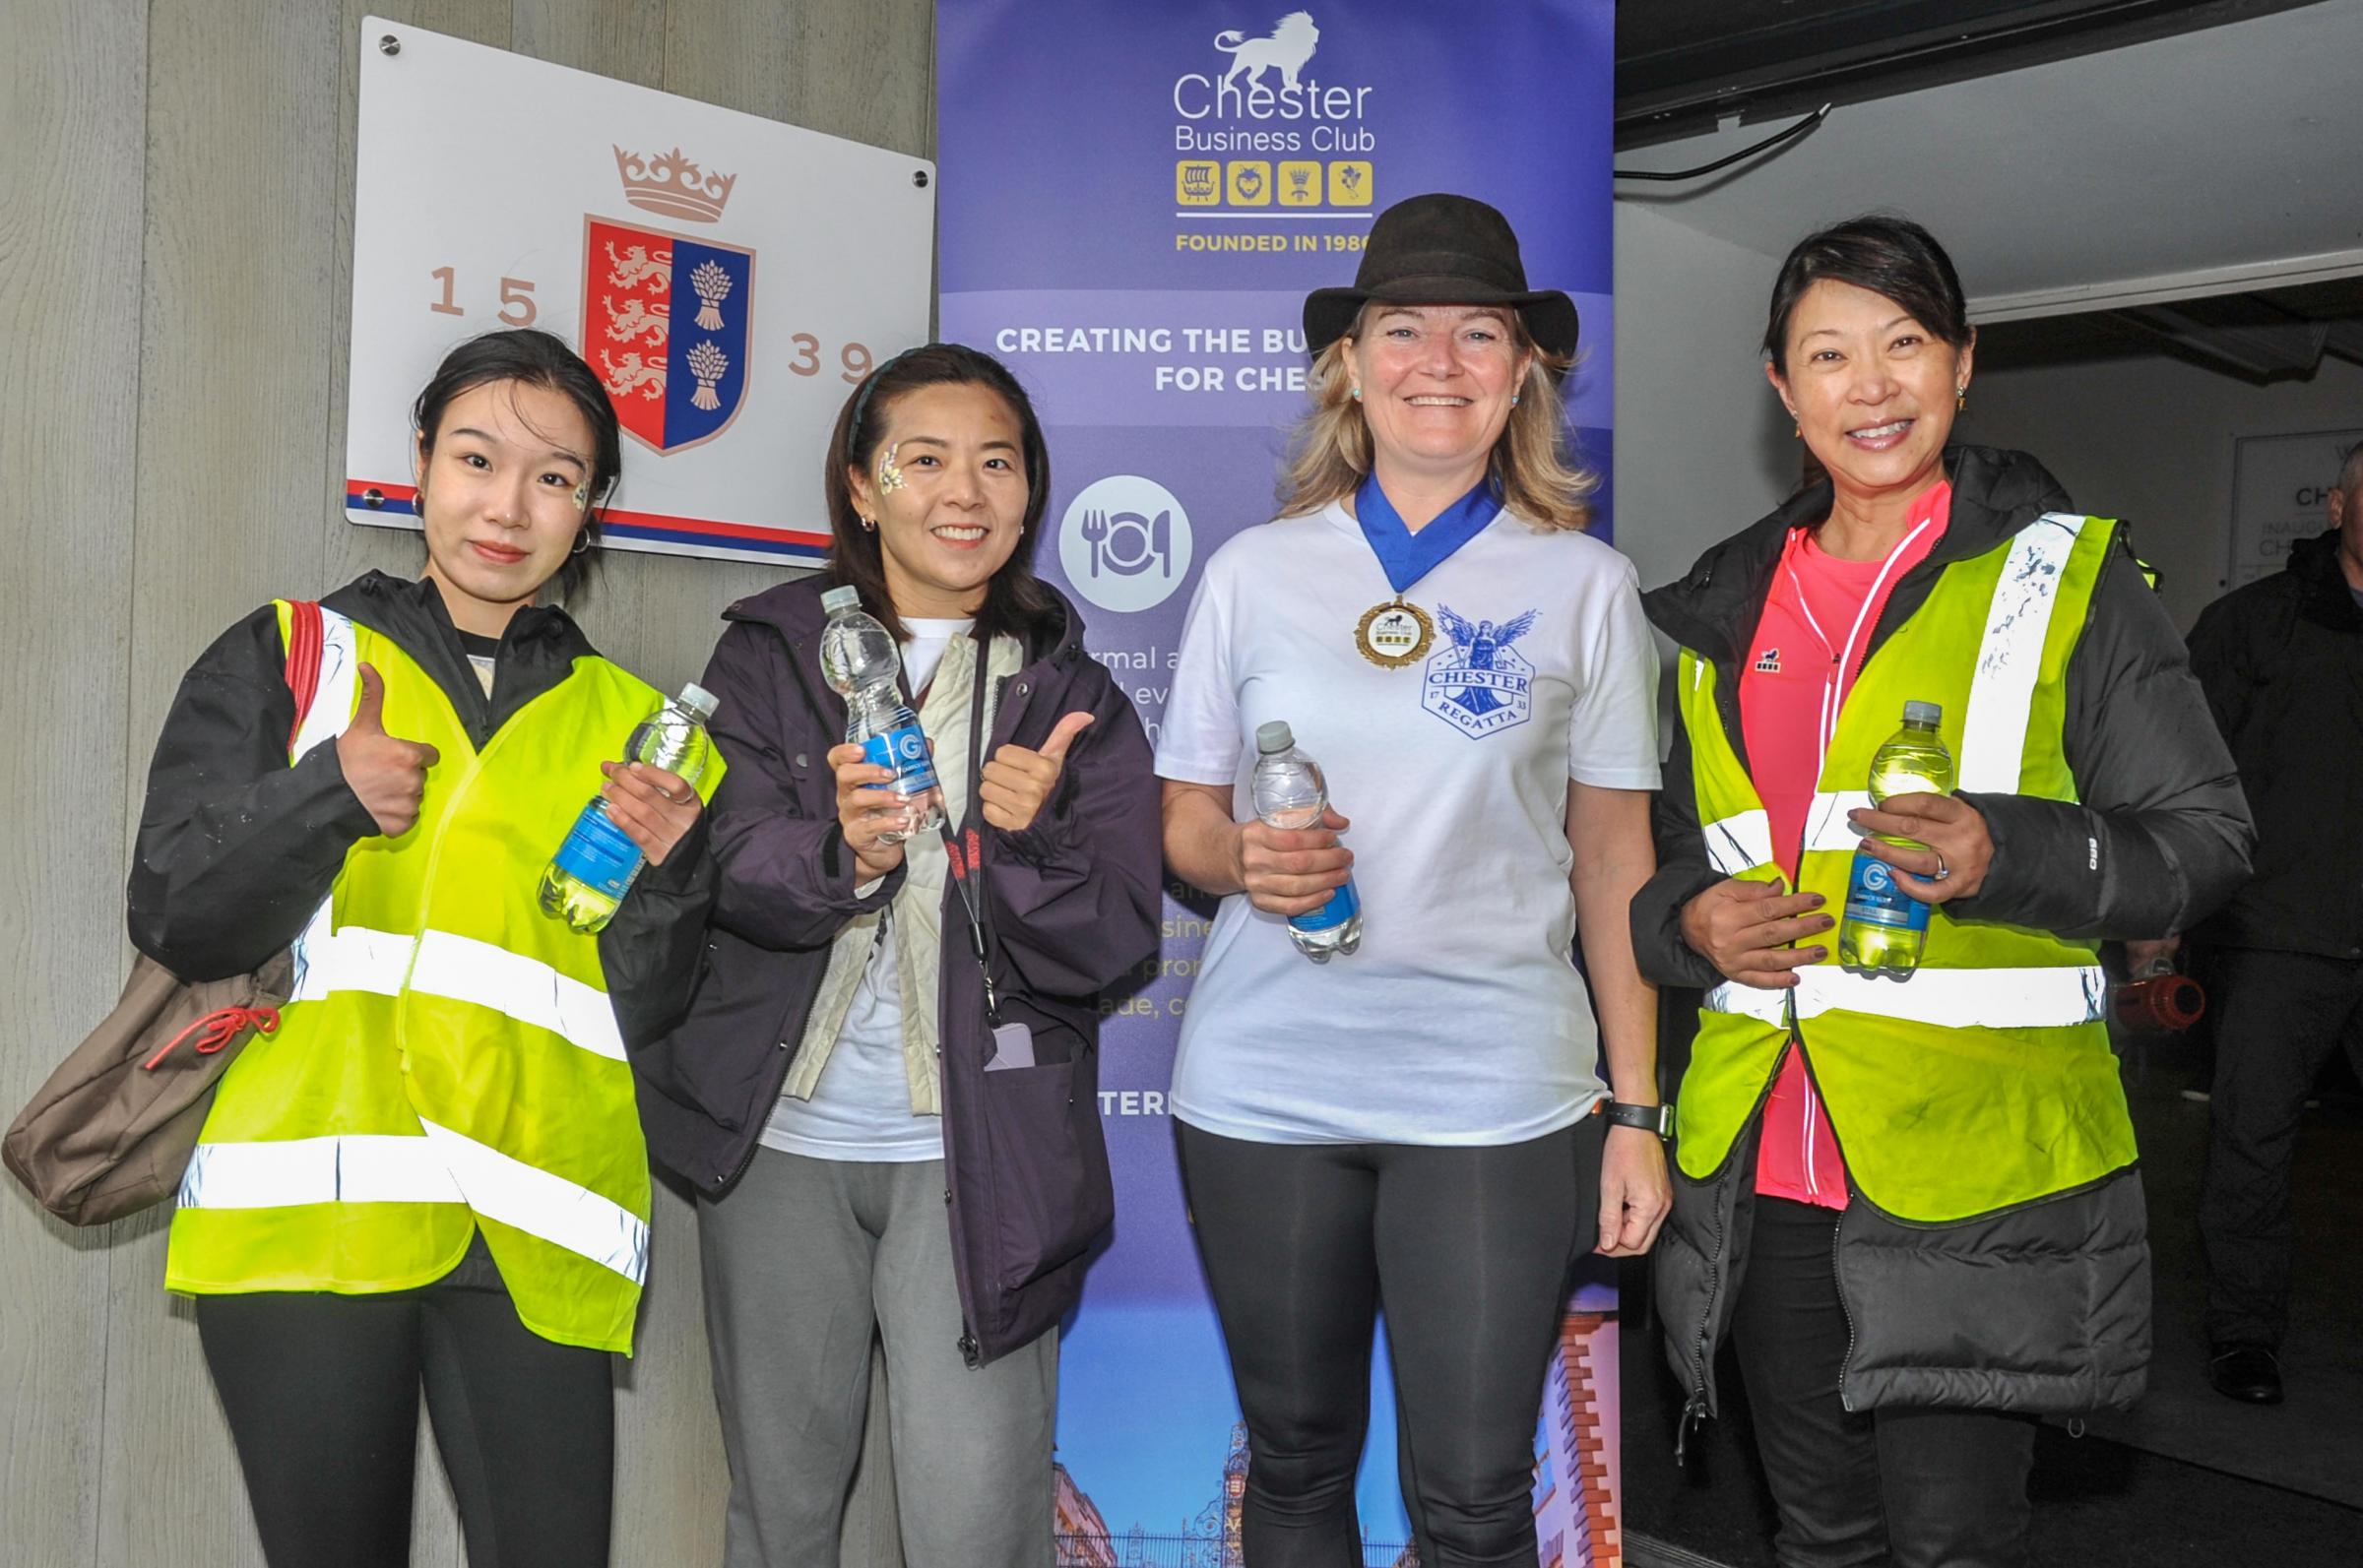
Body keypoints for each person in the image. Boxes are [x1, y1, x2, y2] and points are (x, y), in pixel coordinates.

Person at [1631, 215, 2255, 1567]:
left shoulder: (2067, 578)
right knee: (1818, 1533)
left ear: (1964, 366)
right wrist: (1685, 923)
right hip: (1767, 1169)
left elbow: (2207, 840)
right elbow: (1679, 860)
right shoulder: (1718, 614)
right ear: (1783, 388)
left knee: (1948, 1544)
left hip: (1978, 1176)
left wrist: (2007, 852)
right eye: (1831, 354)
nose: (1873, 385)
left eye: (1906, 344)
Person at [133, 328, 718, 1567]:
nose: (508, 507)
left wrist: (666, 881)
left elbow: (645, 1008)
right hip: (310, 1222)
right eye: (477, 457)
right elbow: (177, 914)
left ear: (592, 505)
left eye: (555, 477)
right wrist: (322, 796)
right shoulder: (291, 656)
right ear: (418, 464)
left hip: (533, 1227)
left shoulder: (646, 729)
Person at [1157, 192, 1671, 1566]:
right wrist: (1242, 858)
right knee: (1298, 1463)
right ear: (1352, 363)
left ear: (1522, 373)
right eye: (1403, 329)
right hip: (1263, 1082)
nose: (1437, 361)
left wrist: (1637, 1110)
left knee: (1472, 1494)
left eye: (1477, 333)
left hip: (1496, 1086)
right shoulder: (1253, 574)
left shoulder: (1589, 585)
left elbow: (1618, 856)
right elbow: (1184, 821)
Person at [631, 344, 1160, 1568]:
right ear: (862, 490)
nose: (963, 491)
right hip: (780, 1147)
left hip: (979, 1155)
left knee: (976, 1521)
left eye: (997, 461)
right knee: (783, 1513)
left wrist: (1019, 848)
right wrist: (847, 855)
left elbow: (1118, 933)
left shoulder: (1073, 698)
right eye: (924, 460)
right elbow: (721, 863)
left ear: (1031, 493)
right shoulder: (767, 654)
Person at [2142, 440, 2363, 1406]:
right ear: (2338, 507)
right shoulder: (2253, 626)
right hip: (2282, 935)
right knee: (2252, 1144)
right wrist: (2160, 922)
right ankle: (2244, 1335)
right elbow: (2180, 775)